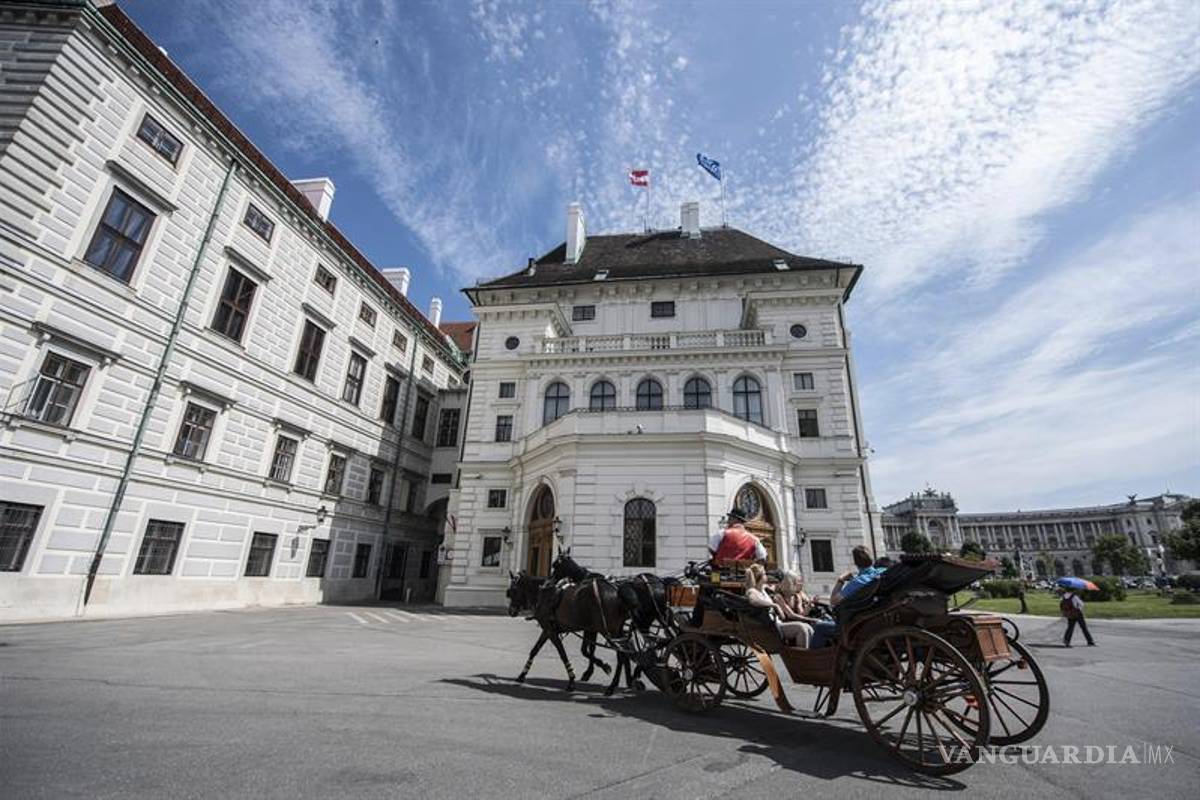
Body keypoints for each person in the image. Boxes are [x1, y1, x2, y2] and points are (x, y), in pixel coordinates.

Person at [809, 546, 885, 649]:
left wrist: (841, 580)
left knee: (820, 627)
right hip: (873, 617)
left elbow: (833, 601)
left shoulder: (857, 582)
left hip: (853, 625)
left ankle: (815, 660)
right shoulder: (882, 572)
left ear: (856, 563)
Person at [744, 565, 811, 647]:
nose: (767, 575)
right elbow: (753, 600)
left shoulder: (763, 589)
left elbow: (778, 586)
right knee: (801, 628)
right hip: (769, 627)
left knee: (808, 627)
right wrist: (774, 605)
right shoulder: (752, 591)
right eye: (764, 574)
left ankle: (809, 655)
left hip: (775, 623)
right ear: (760, 577)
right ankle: (801, 656)